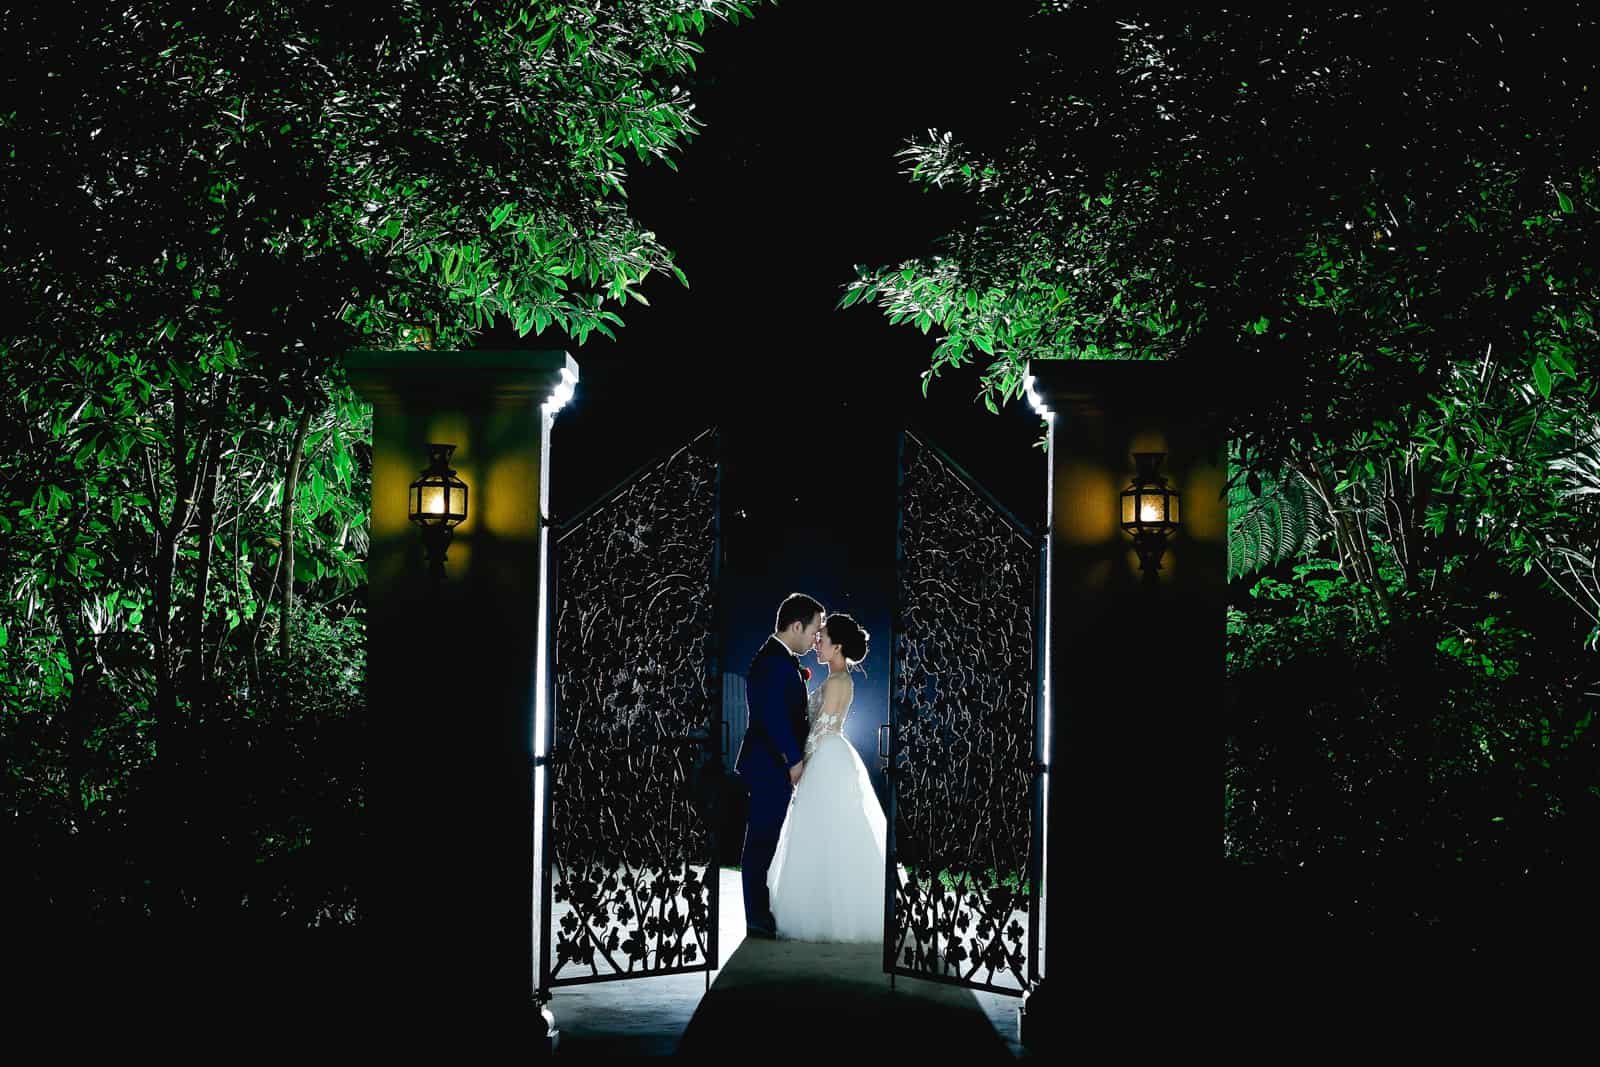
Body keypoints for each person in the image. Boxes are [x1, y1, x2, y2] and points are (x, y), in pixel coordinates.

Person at [767, 612, 887, 943]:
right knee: (830, 832)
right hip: (832, 755)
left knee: (823, 833)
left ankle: (824, 914)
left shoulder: (837, 682)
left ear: (838, 647)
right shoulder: (840, 679)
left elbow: (820, 729)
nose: (817, 644)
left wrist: (800, 764)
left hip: (825, 757)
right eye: (817, 638)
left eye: (823, 640)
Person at [734, 592, 824, 940]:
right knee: (761, 840)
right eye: (814, 631)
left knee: (767, 840)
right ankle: (756, 918)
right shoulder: (773, 661)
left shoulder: (781, 659)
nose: (815, 639)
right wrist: (794, 760)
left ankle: (761, 912)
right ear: (796, 626)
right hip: (769, 765)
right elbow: (773, 717)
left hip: (772, 764)